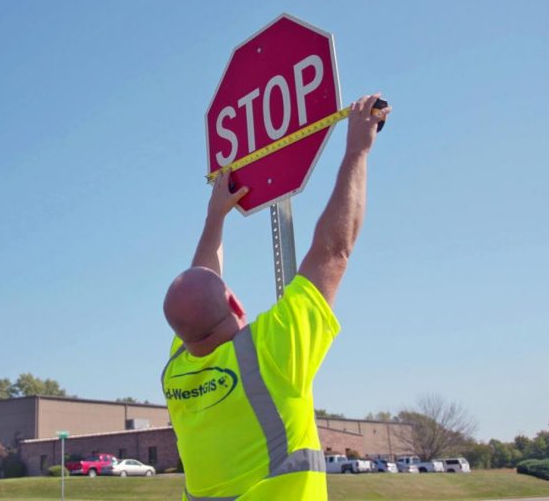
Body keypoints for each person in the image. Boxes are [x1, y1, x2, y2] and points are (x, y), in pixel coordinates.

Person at [161, 94, 392, 500]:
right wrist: (358, 150)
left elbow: (201, 285)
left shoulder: (177, 373)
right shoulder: (273, 353)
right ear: (234, 303)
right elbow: (332, 252)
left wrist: (215, 217)